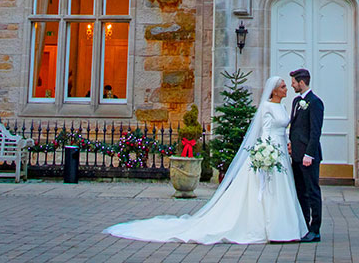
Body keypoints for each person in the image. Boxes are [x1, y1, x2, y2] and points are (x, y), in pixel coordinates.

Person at [104, 75, 307, 244]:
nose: (286, 88)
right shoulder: (266, 107)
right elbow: (263, 132)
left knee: (282, 189)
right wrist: (265, 153)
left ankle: (283, 227)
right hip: (269, 151)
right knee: (265, 189)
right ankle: (269, 227)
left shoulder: (283, 107)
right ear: (274, 90)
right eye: (282, 86)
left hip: (281, 152)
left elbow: (283, 129)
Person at [288, 68, 324, 243]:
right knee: (300, 192)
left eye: (294, 82)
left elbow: (315, 131)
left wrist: (309, 154)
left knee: (312, 192)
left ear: (301, 82)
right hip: (296, 155)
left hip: (308, 156)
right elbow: (295, 128)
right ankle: (304, 225)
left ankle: (315, 229)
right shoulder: (296, 101)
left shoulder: (315, 102)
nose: (292, 85)